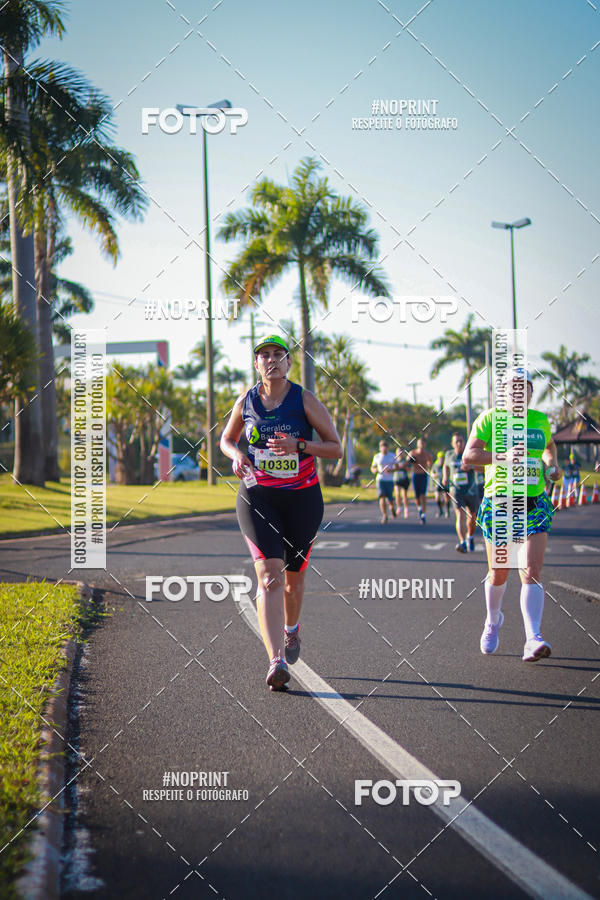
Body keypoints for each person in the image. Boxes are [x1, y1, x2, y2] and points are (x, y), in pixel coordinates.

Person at [220, 335, 342, 691]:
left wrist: (300, 445)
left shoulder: (304, 400)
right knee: (269, 576)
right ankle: (275, 662)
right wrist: (237, 455)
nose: (271, 361)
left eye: (278, 355)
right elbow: (226, 439)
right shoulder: (246, 400)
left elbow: (335, 448)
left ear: (289, 363)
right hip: (258, 497)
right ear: (257, 364)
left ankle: (292, 629)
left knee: (294, 577)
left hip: (302, 499)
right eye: (264, 356)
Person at [463, 367, 562, 662]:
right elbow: (469, 456)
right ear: (503, 393)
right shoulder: (490, 419)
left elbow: (548, 446)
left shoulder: (540, 420)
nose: (520, 392)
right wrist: (504, 457)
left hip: (534, 501)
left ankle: (533, 638)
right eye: (514, 388)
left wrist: (552, 464)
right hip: (500, 503)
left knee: (531, 570)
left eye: (526, 388)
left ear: (531, 393)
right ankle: (493, 621)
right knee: (499, 573)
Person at [444, 432, 479, 553]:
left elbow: (485, 467)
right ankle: (462, 542)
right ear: (452, 444)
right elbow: (445, 466)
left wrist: (472, 467)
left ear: (464, 442)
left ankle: (470, 537)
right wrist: (445, 477)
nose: (459, 443)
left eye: (461, 441)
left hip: (470, 490)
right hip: (456, 490)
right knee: (460, 515)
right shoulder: (449, 455)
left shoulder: (470, 453)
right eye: (456, 441)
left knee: (472, 517)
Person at [407, 437, 433, 525]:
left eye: (423, 443)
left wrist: (429, 465)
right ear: (417, 444)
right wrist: (411, 459)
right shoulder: (413, 453)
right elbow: (407, 462)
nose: (421, 445)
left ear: (425, 445)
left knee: (423, 495)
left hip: (423, 476)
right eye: (419, 443)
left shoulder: (427, 454)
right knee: (417, 497)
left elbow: (430, 463)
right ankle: (420, 509)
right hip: (415, 475)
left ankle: (423, 515)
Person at [371, 440, 398, 523]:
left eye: (385, 446)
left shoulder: (392, 456)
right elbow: (372, 467)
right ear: (380, 448)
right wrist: (374, 470)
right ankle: (385, 515)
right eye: (382, 446)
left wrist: (391, 470)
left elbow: (397, 467)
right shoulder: (377, 457)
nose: (384, 448)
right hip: (380, 479)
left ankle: (392, 508)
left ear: (387, 448)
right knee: (382, 496)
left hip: (389, 480)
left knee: (390, 498)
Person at [431, 450, 450, 518]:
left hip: (446, 483)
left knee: (446, 497)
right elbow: (432, 473)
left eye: (442, 458)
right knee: (437, 497)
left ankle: (447, 511)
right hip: (438, 483)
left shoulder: (447, 464)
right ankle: (440, 510)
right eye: (440, 458)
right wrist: (435, 475)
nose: (441, 459)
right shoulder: (435, 465)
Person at [393, 448, 411, 518]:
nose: (400, 453)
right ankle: (399, 507)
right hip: (396, 478)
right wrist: (397, 467)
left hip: (404, 479)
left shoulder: (406, 461)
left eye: (401, 452)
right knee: (397, 493)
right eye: (398, 452)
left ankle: (406, 509)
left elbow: (409, 469)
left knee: (404, 495)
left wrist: (404, 467)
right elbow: (392, 469)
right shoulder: (394, 460)